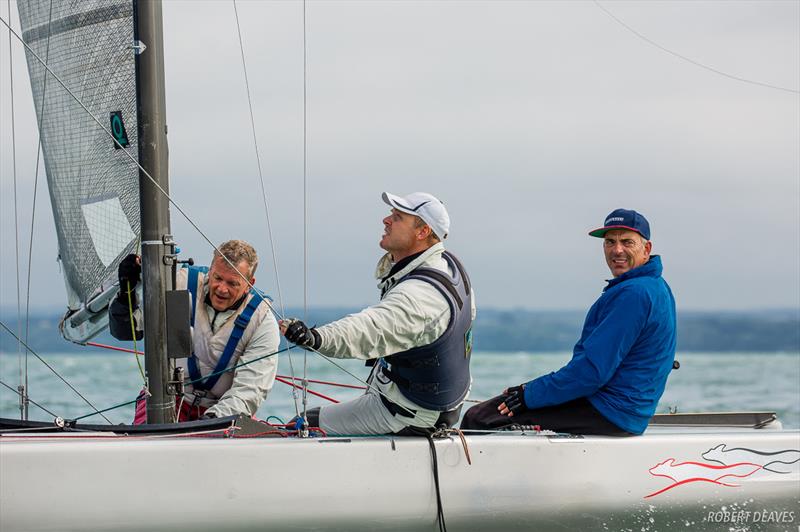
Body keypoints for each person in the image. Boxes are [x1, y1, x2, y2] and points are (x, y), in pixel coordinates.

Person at [461, 208, 676, 436]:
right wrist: (529, 393)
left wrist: (528, 395)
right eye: (610, 242)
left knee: (480, 418)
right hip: (626, 410)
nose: (617, 250)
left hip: (611, 411)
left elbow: (592, 373)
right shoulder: (656, 286)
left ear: (647, 248)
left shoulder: (633, 294)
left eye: (627, 242)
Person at [281, 192, 476, 436]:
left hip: (405, 415)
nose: (386, 220)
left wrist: (315, 337)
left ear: (423, 232)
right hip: (430, 404)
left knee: (299, 426)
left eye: (397, 217)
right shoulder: (448, 265)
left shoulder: (420, 296)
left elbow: (369, 329)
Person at [109, 239, 280, 422]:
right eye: (218, 278)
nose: (222, 289)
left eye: (233, 283)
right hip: (168, 399)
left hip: (224, 409)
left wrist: (211, 420)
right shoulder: (178, 284)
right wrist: (126, 292)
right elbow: (126, 332)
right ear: (211, 269)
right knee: (146, 439)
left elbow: (250, 391)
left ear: (249, 283)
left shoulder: (262, 319)